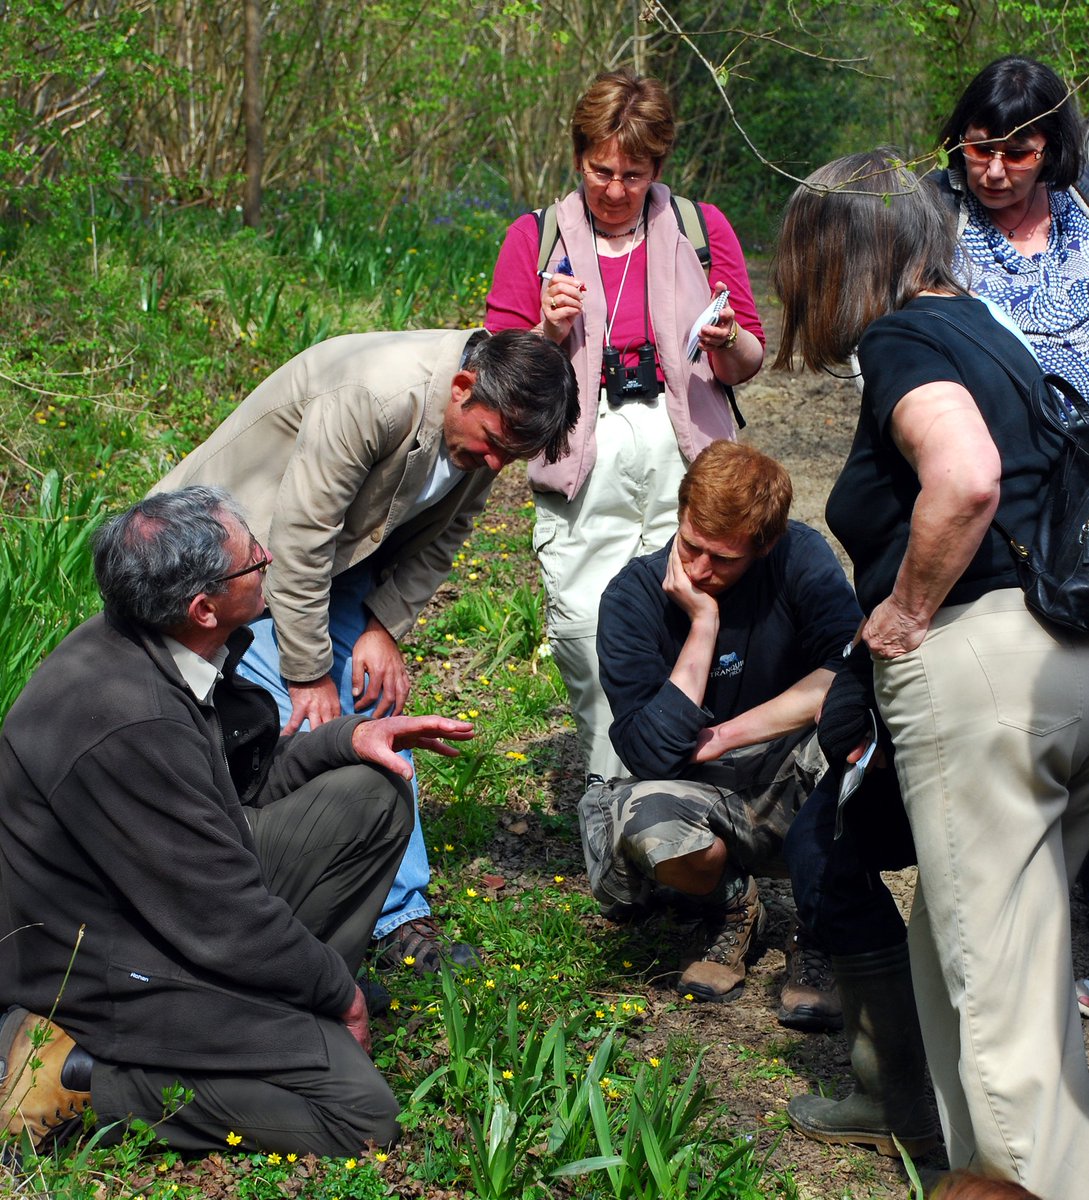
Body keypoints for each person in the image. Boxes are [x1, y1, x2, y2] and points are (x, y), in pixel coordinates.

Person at [774, 148, 1089, 1197]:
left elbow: (964, 479)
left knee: (989, 975)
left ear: (837, 258)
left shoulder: (905, 337)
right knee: (996, 957)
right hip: (1061, 661)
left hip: (984, 665)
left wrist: (904, 611)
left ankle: (1018, 1182)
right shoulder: (989, 326)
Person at [0, 487, 475, 1155]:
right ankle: (78, 1078)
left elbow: (233, 793)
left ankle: (287, 1007)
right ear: (203, 606)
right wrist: (336, 993)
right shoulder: (132, 719)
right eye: (252, 559)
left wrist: (346, 738)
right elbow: (219, 914)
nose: (269, 557)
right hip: (104, 968)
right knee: (360, 1116)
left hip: (161, 911)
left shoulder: (156, 645)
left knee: (371, 792)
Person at [155, 328, 578, 974]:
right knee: (317, 715)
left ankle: (396, 913)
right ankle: (313, 903)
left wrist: (383, 625)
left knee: (370, 697)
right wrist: (308, 673)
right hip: (235, 557)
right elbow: (297, 538)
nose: (495, 466)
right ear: (462, 388)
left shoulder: (481, 435)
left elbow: (444, 537)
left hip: (338, 561)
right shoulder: (375, 395)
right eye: (493, 445)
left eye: (511, 457)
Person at [486, 69, 765, 782]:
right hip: (583, 451)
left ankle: (679, 803)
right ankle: (622, 802)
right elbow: (495, 369)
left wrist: (724, 340)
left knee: (689, 619)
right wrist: (546, 329)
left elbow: (750, 357)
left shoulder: (701, 231)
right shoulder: (537, 237)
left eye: (633, 175)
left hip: (684, 451)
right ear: (578, 158)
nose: (614, 190)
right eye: (600, 171)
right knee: (584, 636)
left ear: (658, 169)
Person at [580, 441, 859, 1027]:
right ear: (680, 517)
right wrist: (702, 625)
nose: (702, 571)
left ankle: (819, 934)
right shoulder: (632, 598)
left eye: (724, 561)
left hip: (790, 776)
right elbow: (653, 753)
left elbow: (847, 674)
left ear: (765, 546)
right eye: (692, 548)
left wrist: (727, 734)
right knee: (640, 818)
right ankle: (733, 908)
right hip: (695, 789)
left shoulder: (799, 559)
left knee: (855, 741)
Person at [933, 55, 1089, 394]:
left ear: (1051, 150)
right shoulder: (932, 212)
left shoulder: (1080, 198)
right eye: (981, 149)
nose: (995, 172)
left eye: (1017, 155)